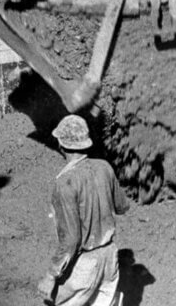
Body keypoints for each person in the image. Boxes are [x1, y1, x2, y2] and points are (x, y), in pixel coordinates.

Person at [38, 115, 130, 306]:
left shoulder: (64, 183)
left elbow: (71, 239)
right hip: (110, 257)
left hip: (85, 263)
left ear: (61, 145)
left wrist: (51, 275)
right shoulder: (104, 167)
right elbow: (122, 206)